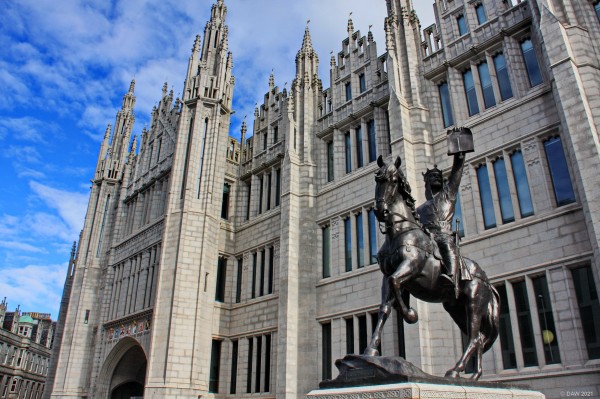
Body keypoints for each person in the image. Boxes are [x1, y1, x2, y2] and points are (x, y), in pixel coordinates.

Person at [417, 152, 465, 298]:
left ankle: (451, 276)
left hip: (443, 234)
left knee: (445, 242)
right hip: (427, 238)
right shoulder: (419, 209)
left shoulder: (448, 195)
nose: (436, 177)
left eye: (438, 175)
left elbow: (456, 174)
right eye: (432, 176)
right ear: (426, 182)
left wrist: (459, 157)